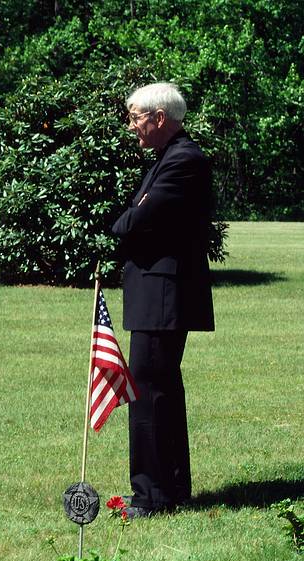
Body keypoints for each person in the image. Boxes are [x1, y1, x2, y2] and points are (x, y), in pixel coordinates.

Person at [112, 82, 214, 518]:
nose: (131, 126)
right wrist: (135, 212)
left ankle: (151, 497)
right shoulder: (168, 159)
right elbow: (139, 212)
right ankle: (172, 488)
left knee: (149, 392)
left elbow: (138, 220)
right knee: (162, 390)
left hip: (164, 293)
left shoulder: (183, 160)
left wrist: (128, 217)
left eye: (136, 117)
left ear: (159, 118)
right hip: (158, 291)